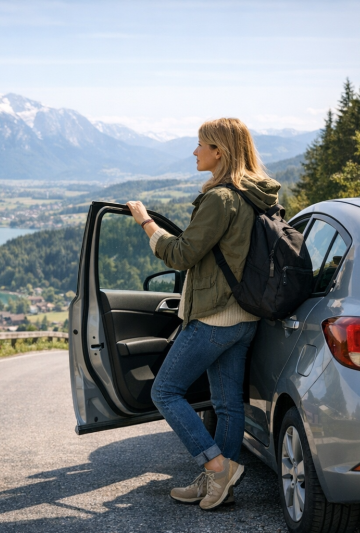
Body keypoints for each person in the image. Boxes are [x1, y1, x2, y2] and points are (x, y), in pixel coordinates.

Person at [126, 118, 280, 511]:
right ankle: (219, 483)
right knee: (227, 404)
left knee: (165, 391)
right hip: (246, 316)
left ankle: (216, 466)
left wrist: (147, 223)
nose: (195, 152)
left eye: (200, 145)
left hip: (216, 319)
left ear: (220, 152)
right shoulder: (258, 195)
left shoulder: (221, 199)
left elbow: (181, 254)